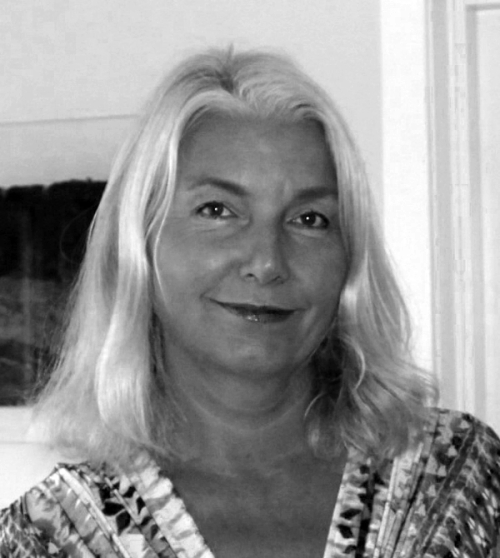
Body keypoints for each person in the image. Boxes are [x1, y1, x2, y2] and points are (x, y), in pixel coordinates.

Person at [1, 47, 499, 558]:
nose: (267, 261)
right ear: (139, 243)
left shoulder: (457, 489)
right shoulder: (50, 538)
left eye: (309, 219)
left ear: (349, 256)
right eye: (217, 210)